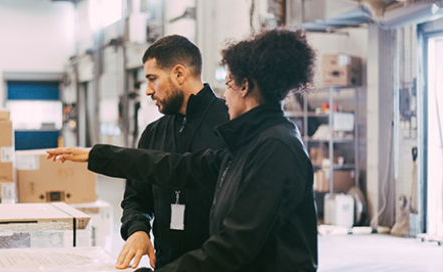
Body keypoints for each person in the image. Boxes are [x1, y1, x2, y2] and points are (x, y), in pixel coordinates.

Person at [47, 28, 318, 271]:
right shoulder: (251, 144)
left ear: (244, 86)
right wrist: (98, 155)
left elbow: (233, 247)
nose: (225, 95)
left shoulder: (275, 148)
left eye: (229, 84)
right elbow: (177, 168)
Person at [117, 35, 229, 269]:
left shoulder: (230, 125)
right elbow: (136, 198)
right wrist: (137, 230)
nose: (148, 91)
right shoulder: (153, 133)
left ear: (179, 74)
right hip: (166, 264)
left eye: (152, 79)